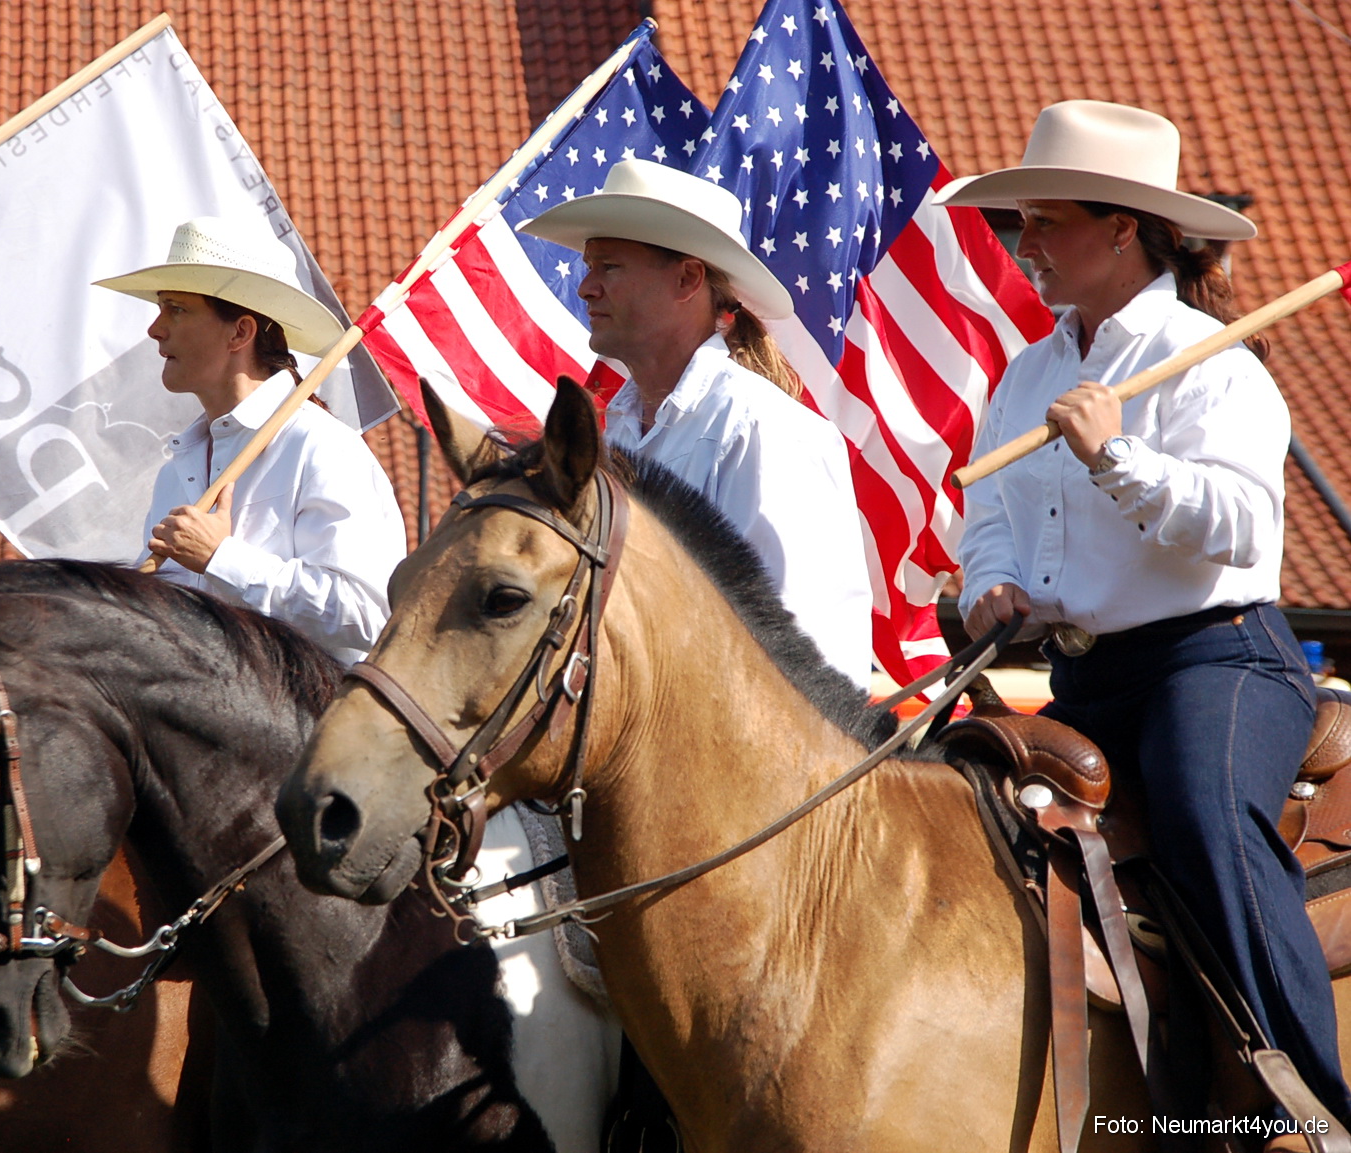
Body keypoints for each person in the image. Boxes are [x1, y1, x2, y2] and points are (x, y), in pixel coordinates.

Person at [941, 99, 1351, 1135]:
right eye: (1018, 225)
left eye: (1044, 223)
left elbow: (1244, 526)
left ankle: (1309, 1105)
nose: (1024, 246)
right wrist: (993, 586)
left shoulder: (1211, 357)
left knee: (1202, 812)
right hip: (1084, 675)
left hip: (1214, 662)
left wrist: (1113, 457)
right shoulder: (1029, 372)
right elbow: (988, 517)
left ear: (1121, 228)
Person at [522, 158, 874, 687]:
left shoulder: (766, 428)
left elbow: (804, 657)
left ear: (688, 277)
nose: (586, 289)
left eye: (609, 267)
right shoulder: (617, 429)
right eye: (591, 267)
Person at [95, 218, 404, 665]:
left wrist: (222, 558)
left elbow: (369, 616)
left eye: (176, 309)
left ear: (240, 332)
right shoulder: (174, 472)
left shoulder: (323, 448)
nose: (155, 329)